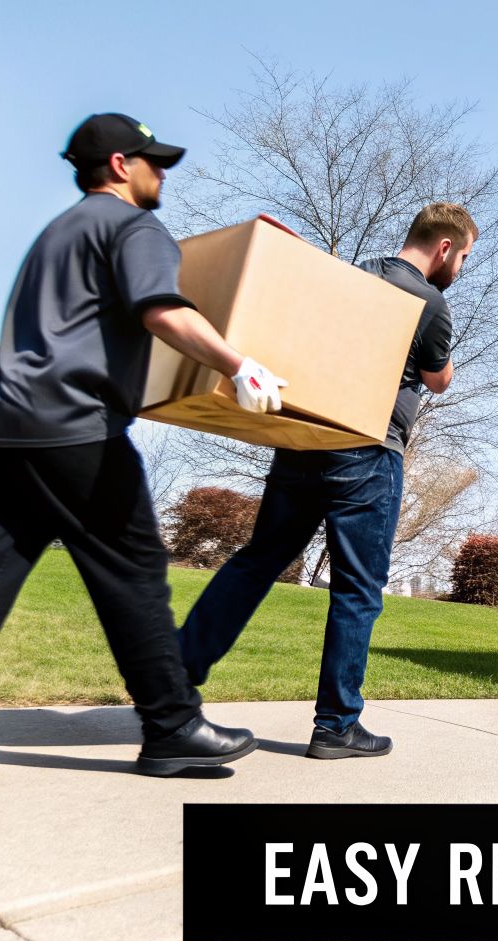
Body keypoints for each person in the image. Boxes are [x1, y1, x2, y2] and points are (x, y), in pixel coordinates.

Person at [0, 114, 289, 794]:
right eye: (152, 161)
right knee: (135, 573)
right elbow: (162, 310)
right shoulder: (134, 227)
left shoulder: (59, 232)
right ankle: (173, 727)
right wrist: (240, 365)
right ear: (119, 165)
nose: (162, 171)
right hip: (71, 426)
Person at [177, 202, 473, 759]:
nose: (460, 268)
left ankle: (174, 677)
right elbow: (437, 380)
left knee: (258, 558)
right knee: (357, 588)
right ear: (444, 248)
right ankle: (337, 725)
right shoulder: (430, 302)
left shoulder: (349, 272)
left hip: (305, 437)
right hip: (368, 449)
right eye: (464, 258)